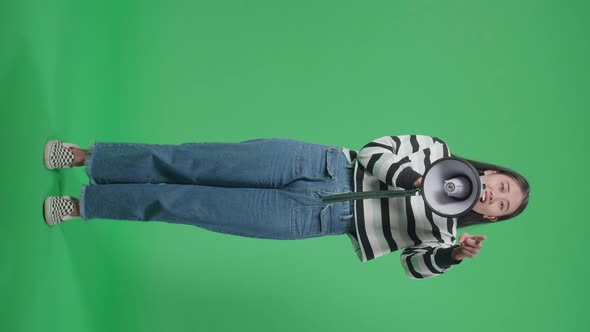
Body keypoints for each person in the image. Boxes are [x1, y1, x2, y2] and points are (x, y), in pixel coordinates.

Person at [42, 135, 530, 279]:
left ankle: (83, 203)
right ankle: (90, 157)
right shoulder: (434, 150)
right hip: (315, 164)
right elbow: (376, 150)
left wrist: (452, 256)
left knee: (187, 205)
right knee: (189, 161)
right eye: (501, 186)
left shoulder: (444, 234)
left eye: (502, 206)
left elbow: (414, 267)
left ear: (489, 217)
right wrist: (418, 180)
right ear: (488, 173)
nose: (496, 195)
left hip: (314, 218)